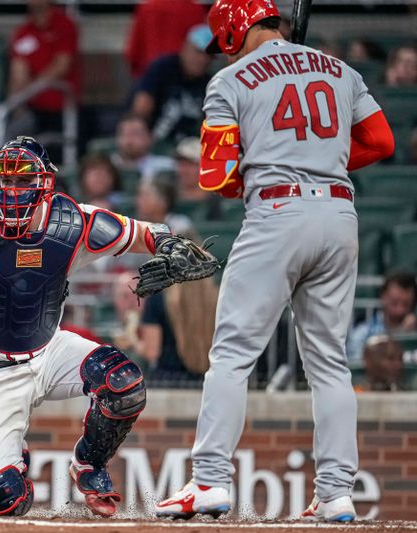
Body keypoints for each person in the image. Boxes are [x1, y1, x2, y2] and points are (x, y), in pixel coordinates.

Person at [155, 0, 395, 523]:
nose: (226, 50)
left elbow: (215, 177)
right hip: (339, 212)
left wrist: (264, 159)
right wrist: (320, 154)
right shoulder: (342, 69)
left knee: (233, 354)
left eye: (225, 39)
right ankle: (335, 494)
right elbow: (381, 141)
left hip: (278, 212)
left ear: (235, 30)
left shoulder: (229, 81)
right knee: (329, 363)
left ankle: (211, 480)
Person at [0, 135, 213, 517]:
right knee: (1, 499)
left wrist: (168, 243)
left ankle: (89, 464)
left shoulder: (72, 221)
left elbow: (144, 231)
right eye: (5, 181)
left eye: (23, 181)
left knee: (124, 385)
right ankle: (14, 458)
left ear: (44, 183)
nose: (12, 191)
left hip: (49, 350)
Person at [130, 24, 214, 144]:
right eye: (198, 52)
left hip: (188, 150)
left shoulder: (209, 83)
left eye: (209, 55)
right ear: (185, 48)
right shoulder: (164, 68)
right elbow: (141, 107)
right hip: (153, 144)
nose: (203, 59)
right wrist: (139, 138)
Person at [7, 0, 80, 137]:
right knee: (10, 131)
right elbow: (18, 70)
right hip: (32, 108)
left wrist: (34, 87)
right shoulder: (23, 31)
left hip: (59, 108)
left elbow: (62, 65)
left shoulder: (64, 25)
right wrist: (17, 104)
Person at [139, 262, 217, 388]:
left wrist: (133, 342)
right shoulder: (215, 299)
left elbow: (151, 351)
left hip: (167, 383)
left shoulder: (158, 297)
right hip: (206, 383)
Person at [124, 0, 207, 79]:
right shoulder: (194, 9)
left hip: (150, 77)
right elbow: (202, 48)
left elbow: (133, 52)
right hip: (182, 80)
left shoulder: (147, 7)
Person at [346, 272, 416, 362]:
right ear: (383, 296)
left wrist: (410, 337)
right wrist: (399, 333)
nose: (400, 310)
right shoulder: (362, 334)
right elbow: (357, 370)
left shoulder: (414, 334)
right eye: (394, 303)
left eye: (406, 304)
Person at [110, 113, 174, 178]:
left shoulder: (166, 166)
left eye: (135, 134)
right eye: (125, 134)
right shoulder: (108, 166)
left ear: (149, 138)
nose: (129, 140)